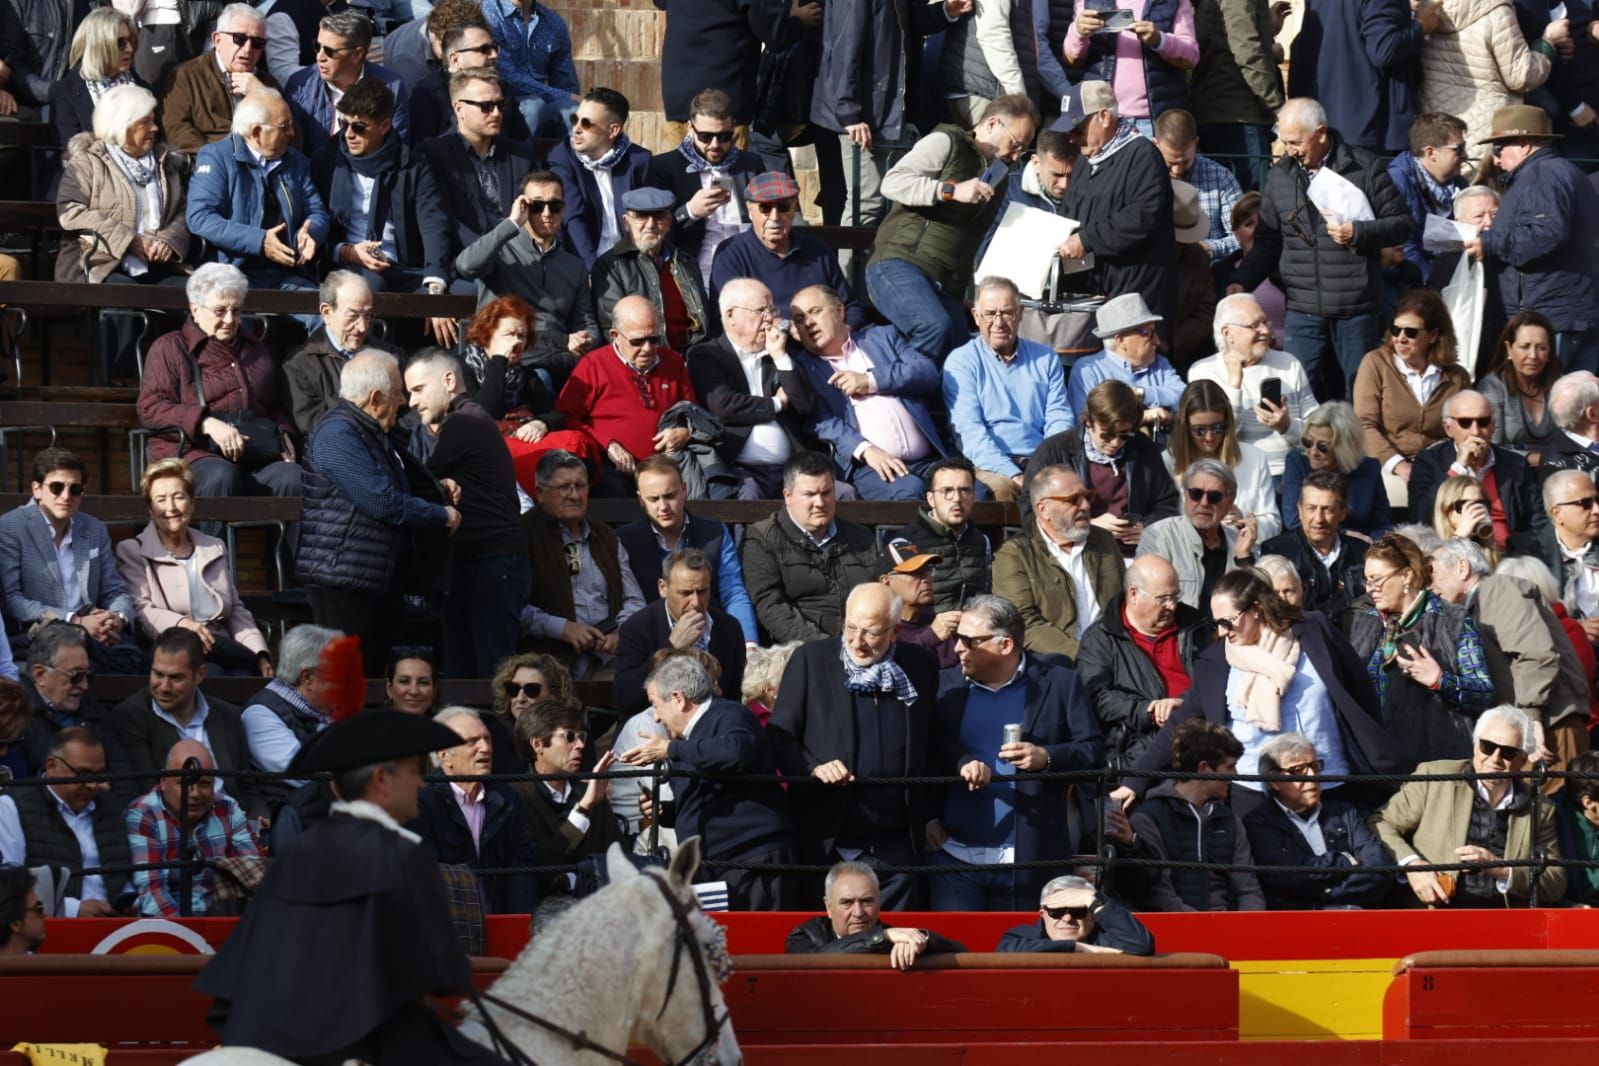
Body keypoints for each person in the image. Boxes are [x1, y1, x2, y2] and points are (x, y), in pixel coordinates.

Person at [193, 706, 510, 1062]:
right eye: (413, 771)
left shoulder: (298, 850)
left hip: (268, 1034)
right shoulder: (403, 853)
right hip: (362, 1040)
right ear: (381, 780)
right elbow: (446, 974)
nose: (421, 783)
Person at [1119, 567, 1401, 816]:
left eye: (1228, 621)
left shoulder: (1313, 630)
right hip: (1253, 793)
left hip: (1328, 782)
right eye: (1218, 623)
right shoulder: (1217, 660)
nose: (1224, 630)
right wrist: (1136, 781)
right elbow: (1181, 725)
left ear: (1255, 608)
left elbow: (1360, 690)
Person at [767, 583, 940, 909]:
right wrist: (813, 766)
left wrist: (931, 813)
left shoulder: (920, 665)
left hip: (896, 841)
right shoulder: (811, 660)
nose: (857, 642)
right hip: (828, 835)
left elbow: (932, 739)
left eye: (871, 633)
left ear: (896, 631)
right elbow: (779, 736)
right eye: (851, 628)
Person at [1225, 98, 1412, 397]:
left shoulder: (1364, 168)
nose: (1290, 150)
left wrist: (1359, 232)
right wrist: (1241, 280)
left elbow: (1402, 223)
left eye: (1296, 142)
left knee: (1359, 393)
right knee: (1297, 392)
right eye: (1284, 142)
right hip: (1303, 308)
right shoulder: (1280, 177)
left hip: (1355, 307)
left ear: (1321, 133)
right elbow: (1268, 240)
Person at [928, 594, 1103, 910]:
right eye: (957, 638)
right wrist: (927, 817)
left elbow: (1092, 752)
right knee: (956, 955)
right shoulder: (945, 687)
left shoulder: (1060, 683)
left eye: (968, 641)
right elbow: (926, 752)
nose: (956, 649)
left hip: (1030, 861)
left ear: (1004, 645)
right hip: (954, 860)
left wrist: (1046, 758)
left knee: (1022, 956)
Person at [298, 353, 459, 673]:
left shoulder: (368, 432)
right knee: (345, 682)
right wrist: (440, 515)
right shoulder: (338, 434)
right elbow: (381, 501)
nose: (404, 402)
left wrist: (438, 489)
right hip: (343, 579)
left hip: (371, 578)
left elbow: (395, 484)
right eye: (399, 391)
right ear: (374, 398)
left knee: (371, 677)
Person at [865, 94, 1040, 364]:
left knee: (961, 356)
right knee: (935, 328)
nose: (1016, 156)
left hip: (946, 282)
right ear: (992, 124)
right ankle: (889, 385)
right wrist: (950, 190)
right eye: (1015, 144)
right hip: (899, 262)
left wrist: (970, 295)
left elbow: (974, 240)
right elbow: (893, 182)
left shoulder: (999, 177)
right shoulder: (946, 142)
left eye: (1023, 150)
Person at [619, 655, 797, 910]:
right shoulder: (686, 742)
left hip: (752, 860)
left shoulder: (728, 714)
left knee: (760, 946)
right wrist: (665, 812)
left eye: (655, 705)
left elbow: (735, 752)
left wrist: (671, 749)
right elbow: (707, 793)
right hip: (714, 866)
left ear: (679, 699)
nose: (656, 717)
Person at [403, 349, 530, 678]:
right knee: (468, 673)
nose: (412, 402)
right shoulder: (468, 418)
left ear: (448, 380)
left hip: (491, 564)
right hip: (482, 562)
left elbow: (418, 482)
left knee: (492, 677)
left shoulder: (464, 420)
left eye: (418, 390)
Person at [138, 264, 303, 509]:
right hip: (192, 455)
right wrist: (206, 423)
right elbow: (150, 408)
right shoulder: (170, 347)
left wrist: (284, 435)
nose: (229, 320)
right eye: (220, 311)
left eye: (236, 311)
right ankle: (214, 549)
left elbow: (273, 405)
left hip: (252, 456)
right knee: (221, 476)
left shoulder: (256, 350)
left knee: (295, 478)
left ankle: (293, 550)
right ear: (195, 309)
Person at [1374, 704, 1565, 907]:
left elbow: (1555, 883)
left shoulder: (1540, 808)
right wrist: (1413, 865)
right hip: (1435, 914)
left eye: (1508, 753)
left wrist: (1501, 869)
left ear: (1523, 760)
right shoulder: (1435, 778)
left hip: (1503, 923)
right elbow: (1380, 823)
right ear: (1475, 746)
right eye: (1487, 747)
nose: (1495, 759)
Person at [1431, 537, 1591, 773]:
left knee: (1552, 806)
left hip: (1548, 729)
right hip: (1529, 730)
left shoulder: (1497, 589)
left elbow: (1535, 653)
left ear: (1462, 568)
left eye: (1432, 573)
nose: (1430, 585)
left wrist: (1530, 718)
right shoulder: (1477, 605)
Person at [309, 78, 453, 320]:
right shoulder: (326, 161)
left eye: (359, 127)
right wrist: (347, 252)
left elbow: (433, 223)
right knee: (368, 288)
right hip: (348, 264)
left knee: (462, 296)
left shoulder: (412, 165)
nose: (349, 135)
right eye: (344, 125)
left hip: (404, 265)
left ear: (385, 126)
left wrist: (435, 286)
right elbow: (318, 221)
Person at [1470, 105, 1599, 375]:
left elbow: (1547, 233)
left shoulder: (1539, 177)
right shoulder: (1570, 174)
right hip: (1572, 314)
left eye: (1499, 148)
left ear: (1524, 144)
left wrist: (1490, 243)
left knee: (1546, 407)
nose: (1495, 159)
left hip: (1550, 319)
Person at [791, 283, 951, 501]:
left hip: (928, 461)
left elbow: (926, 372)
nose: (808, 323)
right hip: (870, 467)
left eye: (815, 312)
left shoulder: (882, 337)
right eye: (800, 319)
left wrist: (871, 380)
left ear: (840, 310)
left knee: (976, 492)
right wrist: (866, 450)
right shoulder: (803, 368)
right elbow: (819, 421)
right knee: (910, 490)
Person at [1350, 532, 1496, 766]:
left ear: (1406, 575)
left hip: (1436, 764)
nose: (1370, 589)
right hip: (1376, 763)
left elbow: (1483, 693)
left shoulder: (1452, 620)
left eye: (1376, 580)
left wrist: (1440, 680)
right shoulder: (1364, 621)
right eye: (1367, 580)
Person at [0, 446, 138, 673]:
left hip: (96, 631)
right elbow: (13, 600)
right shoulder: (11, 527)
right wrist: (75, 621)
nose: (66, 496)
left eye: (75, 489)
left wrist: (116, 618)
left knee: (133, 660)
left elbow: (115, 590)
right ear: (37, 489)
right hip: (39, 633)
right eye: (56, 487)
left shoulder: (94, 528)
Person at [1057, 81, 1179, 334]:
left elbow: (1142, 217)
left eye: (1077, 128)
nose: (1072, 137)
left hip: (1135, 295)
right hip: (1092, 295)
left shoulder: (1142, 155)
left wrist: (1087, 239)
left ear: (1104, 116)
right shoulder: (1084, 161)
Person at [112, 625, 266, 820]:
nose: (164, 687)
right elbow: (148, 792)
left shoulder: (227, 715)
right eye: (158, 674)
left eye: (176, 678)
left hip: (236, 822)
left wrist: (260, 816)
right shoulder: (131, 717)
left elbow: (247, 785)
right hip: (176, 827)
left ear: (200, 674)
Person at [944, 276, 1075, 502]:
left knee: (1074, 486)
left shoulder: (1046, 358)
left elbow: (1059, 417)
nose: (999, 322)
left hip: (1040, 459)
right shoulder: (961, 361)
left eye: (1006, 312)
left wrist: (1045, 465)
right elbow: (969, 432)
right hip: (989, 464)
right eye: (990, 313)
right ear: (976, 316)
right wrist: (1012, 473)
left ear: (1020, 313)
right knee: (1003, 489)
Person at [187, 91, 329, 294]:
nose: (292, 134)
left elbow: (317, 211)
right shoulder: (217, 157)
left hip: (289, 273)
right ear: (255, 132)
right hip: (233, 272)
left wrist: (311, 232)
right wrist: (259, 241)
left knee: (328, 317)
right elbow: (200, 218)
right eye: (284, 127)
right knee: (235, 320)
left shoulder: (296, 162)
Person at [686, 277, 815, 500]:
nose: (769, 319)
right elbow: (723, 406)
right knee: (747, 497)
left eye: (772, 309)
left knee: (843, 493)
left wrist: (780, 356)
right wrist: (777, 403)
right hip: (739, 469)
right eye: (760, 310)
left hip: (793, 468)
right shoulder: (706, 354)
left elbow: (804, 405)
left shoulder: (782, 349)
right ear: (730, 315)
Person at [1076, 555, 1208, 771]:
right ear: (1134, 594)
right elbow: (1095, 696)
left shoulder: (1195, 627)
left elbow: (1217, 681)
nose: (1172, 606)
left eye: (1176, 596)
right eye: (1163, 598)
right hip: (1135, 749)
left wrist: (1186, 703)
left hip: (1200, 738)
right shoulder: (1101, 638)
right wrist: (1149, 710)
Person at [555, 296, 698, 495]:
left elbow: (693, 411)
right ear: (615, 334)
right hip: (614, 469)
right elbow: (565, 418)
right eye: (638, 341)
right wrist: (607, 443)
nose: (648, 348)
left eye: (654, 339)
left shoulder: (672, 362)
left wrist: (684, 431)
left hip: (668, 467)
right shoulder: (593, 365)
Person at [520, 450, 646, 672]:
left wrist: (620, 631)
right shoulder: (522, 535)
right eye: (563, 487)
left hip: (607, 660)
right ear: (540, 493)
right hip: (546, 666)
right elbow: (511, 607)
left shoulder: (607, 536)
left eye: (580, 486)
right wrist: (563, 629)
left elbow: (635, 600)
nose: (574, 495)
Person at [56, 82, 188, 292]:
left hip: (158, 265)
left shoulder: (165, 162)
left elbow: (182, 210)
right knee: (124, 295)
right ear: (121, 124)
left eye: (154, 121)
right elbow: (70, 211)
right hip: (99, 264)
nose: (154, 128)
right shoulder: (87, 162)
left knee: (196, 296)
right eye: (145, 122)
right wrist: (128, 240)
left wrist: (168, 241)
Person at [1028, 381, 1183, 554]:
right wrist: (1086, 525)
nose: (1116, 443)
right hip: (1074, 554)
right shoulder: (1054, 452)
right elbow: (1031, 514)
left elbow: (1167, 503)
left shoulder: (1143, 448)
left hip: (1134, 553)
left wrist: (1147, 528)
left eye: (1125, 434)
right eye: (1107, 435)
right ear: (1088, 422)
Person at [1242, 732, 1394, 909]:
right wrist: (1345, 860)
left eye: (1315, 766)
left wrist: (1324, 895)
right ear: (1274, 780)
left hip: (1355, 919)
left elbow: (1380, 869)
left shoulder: (1344, 812)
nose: (1312, 776)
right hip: (1297, 926)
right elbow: (1287, 878)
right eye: (1298, 770)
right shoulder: (1259, 823)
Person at [741, 451, 881, 643]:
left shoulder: (861, 537)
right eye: (809, 494)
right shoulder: (762, 539)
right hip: (800, 653)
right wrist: (823, 647)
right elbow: (770, 606)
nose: (820, 503)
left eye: (826, 493)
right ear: (787, 496)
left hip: (863, 646)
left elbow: (878, 593)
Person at [410, 707, 539, 914]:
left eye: (487, 739)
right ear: (444, 756)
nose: (485, 748)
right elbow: (424, 878)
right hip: (449, 926)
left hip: (500, 921)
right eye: (472, 741)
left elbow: (521, 869)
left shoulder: (508, 798)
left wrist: (520, 925)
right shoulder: (421, 801)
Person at [617, 457, 758, 643]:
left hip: (713, 639)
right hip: (655, 644)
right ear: (640, 500)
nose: (663, 507)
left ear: (684, 490)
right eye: (653, 499)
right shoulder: (624, 541)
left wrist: (748, 644)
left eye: (670, 496)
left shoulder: (714, 532)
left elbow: (733, 591)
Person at [1130, 718, 1266, 911]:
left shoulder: (1229, 820)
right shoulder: (1148, 818)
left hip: (1229, 930)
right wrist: (1204, 927)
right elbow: (1159, 894)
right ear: (1204, 768)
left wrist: (1245, 929)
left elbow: (1249, 890)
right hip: (1175, 930)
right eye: (1229, 766)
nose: (1236, 774)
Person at [1353, 288, 1470, 511]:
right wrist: (1400, 466)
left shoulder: (1456, 377)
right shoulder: (1375, 364)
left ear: (1433, 335)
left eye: (1411, 332)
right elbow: (1364, 425)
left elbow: (1465, 429)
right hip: (1387, 464)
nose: (1401, 338)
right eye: (1396, 330)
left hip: (1440, 465)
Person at [993, 465, 1124, 661]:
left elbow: (1123, 605)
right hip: (1055, 665)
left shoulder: (1103, 541)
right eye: (1073, 500)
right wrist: (1084, 656)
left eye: (1087, 496)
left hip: (1114, 655)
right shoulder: (1014, 554)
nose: (1086, 506)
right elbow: (1024, 623)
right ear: (1043, 509)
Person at [0, 727, 131, 916]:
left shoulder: (110, 806)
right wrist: (73, 909)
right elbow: (9, 884)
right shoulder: (11, 806)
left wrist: (127, 899)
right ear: (52, 767)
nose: (92, 785)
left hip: (113, 925)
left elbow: (123, 872)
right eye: (82, 774)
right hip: (52, 927)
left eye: (99, 774)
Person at [124, 738, 263, 917]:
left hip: (224, 920)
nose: (195, 793)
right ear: (164, 780)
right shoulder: (144, 813)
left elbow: (255, 875)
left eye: (204, 783)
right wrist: (187, 937)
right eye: (184, 783)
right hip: (168, 932)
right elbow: (152, 894)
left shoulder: (228, 808)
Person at [1188, 292, 1319, 477]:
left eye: (1266, 322)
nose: (1265, 331)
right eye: (1254, 325)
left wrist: (1287, 426)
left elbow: (1320, 431)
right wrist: (1234, 387)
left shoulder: (1289, 363)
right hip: (1239, 478)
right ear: (1228, 333)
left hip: (1293, 473)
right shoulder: (1204, 372)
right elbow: (1214, 440)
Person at [709, 172, 864, 326]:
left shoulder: (817, 250)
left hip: (823, 344)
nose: (775, 217)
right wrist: (789, 330)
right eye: (765, 208)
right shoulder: (731, 253)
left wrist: (841, 334)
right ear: (750, 212)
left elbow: (851, 308)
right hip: (763, 346)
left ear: (794, 210)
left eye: (783, 207)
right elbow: (731, 318)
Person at [419, 68, 539, 260]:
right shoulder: (433, 155)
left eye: (500, 105)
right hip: (466, 261)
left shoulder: (520, 156)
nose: (496, 113)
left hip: (522, 259)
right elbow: (445, 222)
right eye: (486, 106)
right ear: (459, 109)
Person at [613, 548, 748, 715]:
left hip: (713, 722)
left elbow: (735, 695)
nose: (696, 602)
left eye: (702, 591)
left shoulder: (728, 627)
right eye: (686, 593)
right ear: (663, 588)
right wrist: (672, 648)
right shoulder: (637, 628)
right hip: (655, 722)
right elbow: (625, 698)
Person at [651, 87, 764, 283]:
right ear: (689, 127)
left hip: (746, 271)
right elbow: (651, 230)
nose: (714, 145)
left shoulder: (751, 165)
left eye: (724, 136)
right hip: (691, 274)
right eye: (705, 136)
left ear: (733, 128)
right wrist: (689, 211)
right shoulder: (665, 167)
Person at [512, 698, 623, 897]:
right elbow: (539, 866)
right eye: (570, 736)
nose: (580, 745)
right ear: (538, 744)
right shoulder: (516, 797)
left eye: (581, 736)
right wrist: (583, 810)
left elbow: (617, 856)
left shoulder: (590, 793)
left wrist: (570, 880)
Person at [1407, 390, 1544, 549]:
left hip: (1508, 554)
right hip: (1451, 555)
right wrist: (1458, 468)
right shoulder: (1428, 462)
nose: (1475, 431)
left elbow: (1537, 521)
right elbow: (1420, 517)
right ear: (1448, 428)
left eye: (1483, 422)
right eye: (1465, 423)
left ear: (1493, 426)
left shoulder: (1516, 465)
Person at [13, 625, 132, 802]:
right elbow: (17, 788)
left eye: (88, 676)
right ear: (40, 675)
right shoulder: (17, 717)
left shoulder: (94, 712)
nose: (84, 685)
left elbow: (124, 780)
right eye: (75, 676)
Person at [1419, 0, 1552, 150]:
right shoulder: (1496, 11)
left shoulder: (1425, 11)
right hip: (1489, 131)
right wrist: (1547, 45)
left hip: (1439, 134)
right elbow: (1521, 77)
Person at [592, 185, 711, 350]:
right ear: (626, 222)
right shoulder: (610, 266)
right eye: (641, 216)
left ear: (669, 223)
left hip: (691, 356)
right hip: (644, 358)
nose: (650, 225)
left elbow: (703, 320)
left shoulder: (685, 261)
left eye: (659, 217)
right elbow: (613, 327)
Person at [1162, 380, 1282, 542]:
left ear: (1228, 423)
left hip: (1241, 554)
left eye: (1217, 428)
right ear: (1185, 428)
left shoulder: (1255, 457)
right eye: (1200, 430)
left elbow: (1273, 523)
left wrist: (1244, 522)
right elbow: (1162, 525)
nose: (1209, 437)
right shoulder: (1168, 462)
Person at [785, 862, 966, 969]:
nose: (858, 912)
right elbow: (817, 962)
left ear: (879, 903)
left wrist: (922, 940)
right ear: (829, 907)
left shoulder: (898, 939)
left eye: (867, 902)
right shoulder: (805, 934)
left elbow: (960, 952)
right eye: (847, 903)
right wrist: (882, 936)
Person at [546, 87, 652, 268]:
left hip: (630, 263)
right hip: (584, 263)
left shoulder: (638, 160)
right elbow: (573, 218)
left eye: (586, 124)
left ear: (613, 130)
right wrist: (591, 271)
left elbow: (650, 218)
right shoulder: (562, 158)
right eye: (574, 120)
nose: (576, 129)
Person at [156, 4, 283, 155]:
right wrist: (221, 160)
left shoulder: (267, 83)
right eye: (239, 39)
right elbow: (176, 131)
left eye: (257, 43)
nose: (248, 49)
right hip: (212, 167)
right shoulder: (186, 76)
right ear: (217, 40)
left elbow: (292, 134)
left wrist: (263, 95)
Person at [239, 624, 342, 803]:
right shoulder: (260, 714)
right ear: (307, 677)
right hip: (294, 821)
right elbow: (307, 774)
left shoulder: (327, 708)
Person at [1139, 459, 1259, 613]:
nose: (1204, 503)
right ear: (1185, 495)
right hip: (1178, 633)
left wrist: (1243, 558)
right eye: (1196, 494)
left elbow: (1253, 605)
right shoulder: (1159, 536)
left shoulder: (1240, 543)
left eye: (1214, 496)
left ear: (1230, 502)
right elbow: (1149, 603)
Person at [285, 11, 410, 157]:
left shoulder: (391, 87)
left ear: (357, 54)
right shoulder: (300, 85)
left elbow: (397, 149)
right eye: (317, 46)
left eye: (330, 51)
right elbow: (293, 151)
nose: (320, 57)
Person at [1188, 0, 1284, 190]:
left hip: (1219, 112)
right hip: (1240, 117)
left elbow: (1222, 39)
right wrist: (1278, 108)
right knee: (1250, 207)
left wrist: (1266, 29)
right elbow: (1247, 53)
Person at [283, 272, 388, 438]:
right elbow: (314, 427)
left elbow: (410, 416)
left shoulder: (390, 358)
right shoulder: (299, 366)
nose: (362, 327)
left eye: (368, 316)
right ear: (326, 313)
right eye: (353, 315)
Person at [1261, 470, 1371, 624]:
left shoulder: (1362, 553)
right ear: (1299, 509)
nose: (1318, 519)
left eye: (1327, 509)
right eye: (1311, 508)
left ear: (1343, 512)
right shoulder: (1277, 553)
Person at [1066, 293, 1186, 430]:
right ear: (1121, 340)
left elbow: (1184, 397)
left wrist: (1141, 394)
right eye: (1148, 333)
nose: (1157, 341)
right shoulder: (1088, 370)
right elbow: (1085, 422)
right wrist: (1141, 417)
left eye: (1155, 332)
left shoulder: (1160, 364)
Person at [891, 456, 992, 614]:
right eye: (947, 491)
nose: (957, 499)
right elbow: (897, 607)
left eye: (965, 490)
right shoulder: (906, 542)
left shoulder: (982, 540)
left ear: (974, 496)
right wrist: (930, 633)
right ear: (931, 498)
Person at [407, 20, 535, 144]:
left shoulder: (500, 88)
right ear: (456, 59)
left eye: (495, 48)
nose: (494, 55)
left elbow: (523, 142)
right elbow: (422, 150)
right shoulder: (428, 93)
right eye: (484, 49)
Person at [1283, 400, 1393, 537]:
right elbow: (1293, 521)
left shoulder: (1369, 469)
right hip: (1312, 544)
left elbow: (1383, 524)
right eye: (1308, 442)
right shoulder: (1298, 462)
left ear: (1345, 448)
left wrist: (1372, 544)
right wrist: (1346, 536)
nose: (1313, 451)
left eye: (1323, 447)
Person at [1152, 109, 1243, 265]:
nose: (1177, 170)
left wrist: (1209, 248)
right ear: (1156, 144)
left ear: (1196, 143)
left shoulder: (1219, 177)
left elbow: (1242, 235)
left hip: (1210, 270)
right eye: (1171, 163)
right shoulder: (1144, 177)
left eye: (1185, 161)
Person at [1385, 113, 1469, 275]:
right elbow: (1406, 245)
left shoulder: (1460, 184)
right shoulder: (1398, 182)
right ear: (1431, 153)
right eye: (1458, 149)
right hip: (1417, 281)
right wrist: (1431, 285)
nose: (1465, 156)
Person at [483, 0, 578, 139]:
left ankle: (568, 160)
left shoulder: (554, 23)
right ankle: (521, 160)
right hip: (500, 100)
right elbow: (507, 75)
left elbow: (566, 84)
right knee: (534, 106)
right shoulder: (488, 13)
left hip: (544, 100)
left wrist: (573, 99)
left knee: (574, 109)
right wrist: (565, 96)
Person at [1478, 311, 1561, 466]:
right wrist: (1538, 460)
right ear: (1509, 348)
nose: (1533, 355)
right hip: (1509, 473)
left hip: (1555, 472)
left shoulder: (1558, 386)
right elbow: (1491, 447)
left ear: (1550, 351)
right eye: (1525, 347)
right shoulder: (1493, 387)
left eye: (1541, 348)